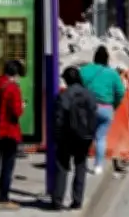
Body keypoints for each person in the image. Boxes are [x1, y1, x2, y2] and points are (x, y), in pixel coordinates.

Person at [52, 67, 97, 210]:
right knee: (80, 166)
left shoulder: (64, 96)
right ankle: (77, 200)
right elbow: (94, 113)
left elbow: (58, 119)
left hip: (67, 137)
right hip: (84, 137)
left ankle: (57, 201)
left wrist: (57, 137)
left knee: (62, 167)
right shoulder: (89, 94)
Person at [0, 60, 25, 210]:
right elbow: (16, 112)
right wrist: (22, 106)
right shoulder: (13, 88)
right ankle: (3, 198)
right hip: (9, 132)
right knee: (7, 166)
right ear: (15, 73)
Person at [79, 46, 125, 176]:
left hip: (88, 108)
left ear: (94, 58)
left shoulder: (84, 71)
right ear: (107, 59)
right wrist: (113, 106)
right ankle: (98, 166)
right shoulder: (113, 74)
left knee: (85, 137)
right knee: (100, 138)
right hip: (106, 109)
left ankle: (80, 164)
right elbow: (120, 92)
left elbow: (78, 88)